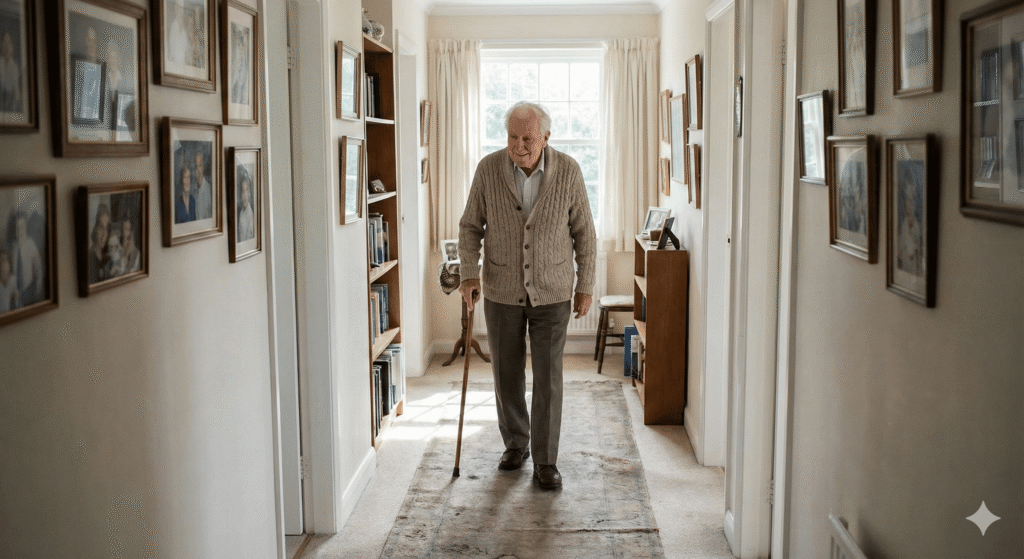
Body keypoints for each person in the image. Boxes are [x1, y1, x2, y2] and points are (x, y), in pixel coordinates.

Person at [458, 101, 596, 490]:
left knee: (549, 378)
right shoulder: (488, 169)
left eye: (528, 139)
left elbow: (585, 232)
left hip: (552, 292)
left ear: (546, 137)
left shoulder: (568, 170)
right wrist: (469, 274)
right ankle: (515, 444)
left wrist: (585, 285)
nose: (519, 146)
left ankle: (546, 460)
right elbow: (470, 227)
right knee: (506, 374)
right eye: (513, 138)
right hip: (502, 290)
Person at [8, 211, 43, 307]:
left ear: (26, 227)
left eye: (22, 227)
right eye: (17, 228)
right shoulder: (13, 247)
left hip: (28, 287)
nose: (20, 230)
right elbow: (13, 271)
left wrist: (38, 283)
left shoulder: (30, 244)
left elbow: (38, 266)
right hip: (16, 290)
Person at [89, 203, 111, 283]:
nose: (104, 235)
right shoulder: (90, 257)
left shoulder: (106, 257)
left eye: (106, 229)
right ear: (94, 229)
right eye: (101, 227)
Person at [0, 32, 21, 113]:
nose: (7, 46)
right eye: (4, 42)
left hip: (9, 108)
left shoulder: (14, 67)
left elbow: (16, 94)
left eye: (9, 43)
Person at [193, 152, 213, 220]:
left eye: (200, 166)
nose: (198, 170)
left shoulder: (209, 190)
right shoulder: (193, 191)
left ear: (203, 167)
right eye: (196, 166)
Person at [237, 173, 254, 242]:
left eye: (246, 190)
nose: (245, 195)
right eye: (243, 191)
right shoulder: (241, 212)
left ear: (249, 193)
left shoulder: (250, 214)